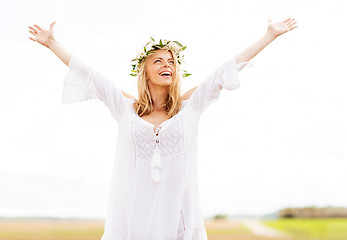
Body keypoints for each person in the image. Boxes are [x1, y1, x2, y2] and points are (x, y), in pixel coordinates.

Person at [28, 18, 298, 240]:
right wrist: (52, 43)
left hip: (178, 219)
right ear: (144, 71)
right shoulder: (124, 108)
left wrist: (270, 36)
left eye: (171, 62)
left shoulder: (190, 107)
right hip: (134, 220)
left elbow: (225, 70)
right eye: (158, 61)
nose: (166, 65)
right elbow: (90, 75)